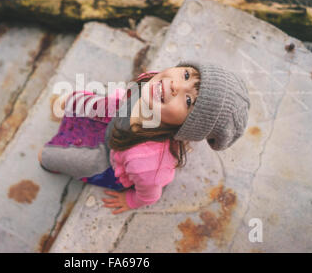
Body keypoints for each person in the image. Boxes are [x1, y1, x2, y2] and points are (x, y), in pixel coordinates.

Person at [38, 61, 250, 214]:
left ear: (188, 126)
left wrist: (131, 200)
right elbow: (122, 102)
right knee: (81, 101)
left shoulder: (146, 161)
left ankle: (49, 160)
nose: (176, 85)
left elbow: (150, 194)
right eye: (186, 75)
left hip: (112, 162)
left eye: (188, 101)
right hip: (118, 126)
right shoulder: (153, 86)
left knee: (50, 157)